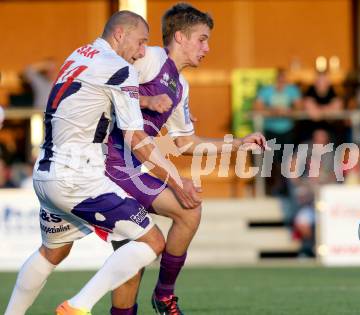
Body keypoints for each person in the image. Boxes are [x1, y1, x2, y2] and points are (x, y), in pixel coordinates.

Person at [5, 11, 200, 315]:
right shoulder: (119, 67)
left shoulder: (80, 54)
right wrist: (177, 181)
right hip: (78, 175)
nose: (141, 51)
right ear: (120, 34)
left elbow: (91, 93)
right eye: (139, 42)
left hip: (45, 172)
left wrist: (146, 102)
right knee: (152, 242)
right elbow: (138, 140)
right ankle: (79, 306)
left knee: (51, 253)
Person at [106, 4, 266, 315]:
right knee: (141, 246)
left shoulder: (181, 86)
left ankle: (163, 296)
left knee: (154, 238)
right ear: (180, 37)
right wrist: (146, 97)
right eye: (202, 39)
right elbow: (107, 84)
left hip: (129, 167)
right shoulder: (149, 57)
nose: (207, 48)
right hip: (107, 162)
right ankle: (161, 297)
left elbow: (185, 142)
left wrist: (237, 145)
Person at [253, 68, 301, 195]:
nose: (281, 82)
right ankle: (275, 186)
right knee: (272, 161)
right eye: (280, 79)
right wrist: (273, 111)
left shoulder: (292, 90)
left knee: (287, 160)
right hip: (271, 130)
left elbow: (299, 106)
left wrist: (289, 111)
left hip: (287, 130)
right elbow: (257, 107)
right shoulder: (267, 91)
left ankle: (286, 186)